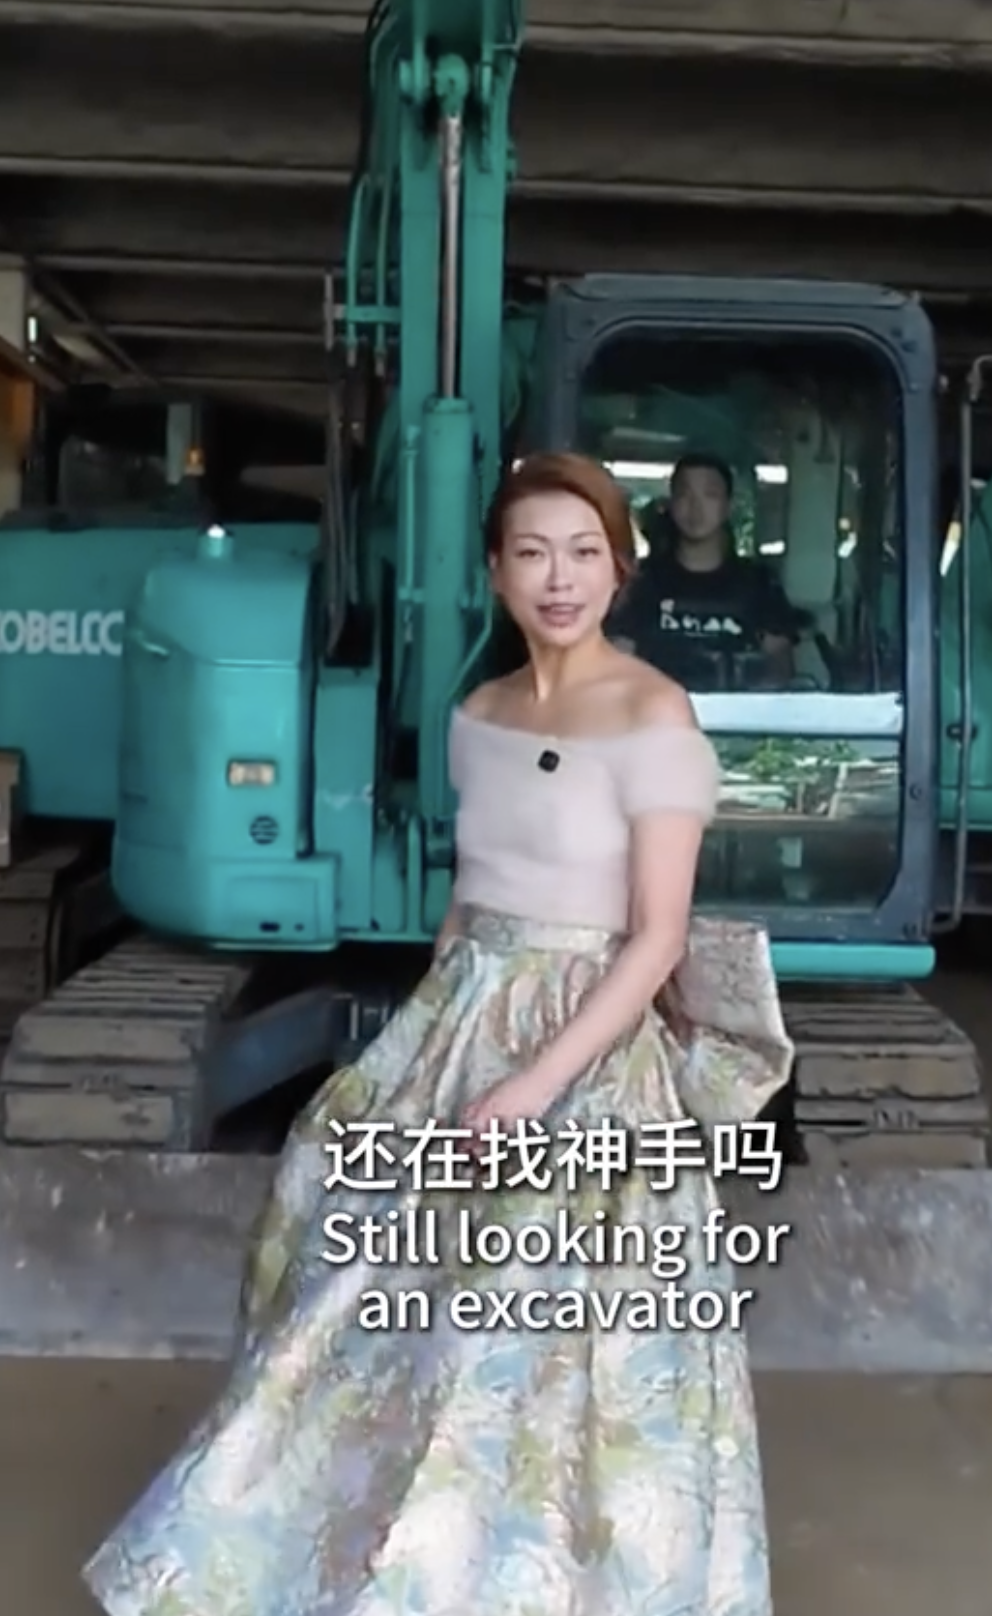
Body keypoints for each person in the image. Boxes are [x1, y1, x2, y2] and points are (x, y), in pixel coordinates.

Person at [83, 450, 795, 1616]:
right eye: (531, 553)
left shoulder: (655, 715)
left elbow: (657, 938)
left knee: (553, 1349)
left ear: (620, 565)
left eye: (582, 551)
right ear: (497, 575)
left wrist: (532, 1086)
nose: (557, 578)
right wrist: (429, 1037)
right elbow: (470, 897)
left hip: (590, 1055)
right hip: (464, 1020)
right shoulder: (481, 713)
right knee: (352, 1289)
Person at [611, 452, 805, 692]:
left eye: (710, 495)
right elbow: (618, 660)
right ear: (671, 504)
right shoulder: (642, 581)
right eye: (684, 494)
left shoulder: (759, 584)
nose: (696, 507)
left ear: (728, 506)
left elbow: (779, 666)